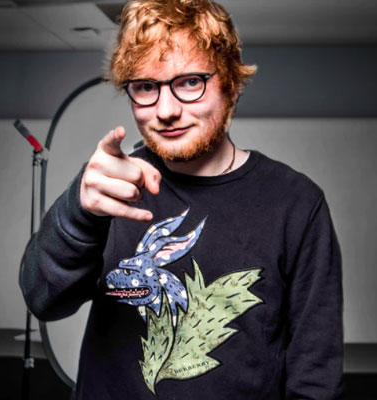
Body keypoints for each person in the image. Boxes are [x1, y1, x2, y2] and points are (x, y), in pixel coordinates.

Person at [20, 0, 343, 398]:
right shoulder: (109, 186)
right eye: (146, 86)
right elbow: (43, 300)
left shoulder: (295, 203)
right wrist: (78, 212)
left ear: (230, 83)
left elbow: (315, 376)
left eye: (190, 82)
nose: (166, 110)